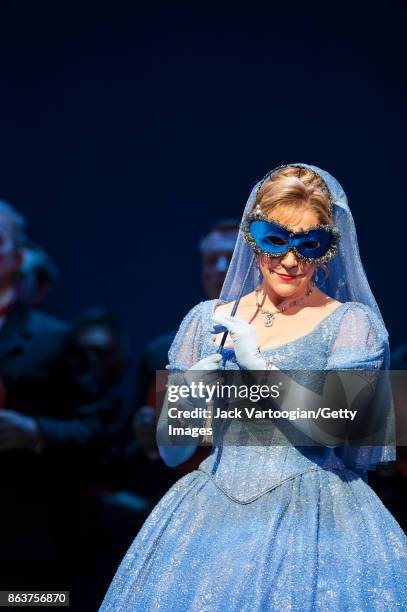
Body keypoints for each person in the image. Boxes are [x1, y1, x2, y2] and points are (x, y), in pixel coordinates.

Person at [99, 164, 406, 611]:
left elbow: (339, 429)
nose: (288, 261)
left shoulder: (350, 323)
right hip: (209, 516)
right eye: (274, 241)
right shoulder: (207, 320)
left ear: (328, 247)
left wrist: (258, 367)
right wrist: (191, 397)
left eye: (309, 245)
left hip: (314, 516)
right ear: (252, 236)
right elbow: (173, 453)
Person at [0, 200, 112, 590]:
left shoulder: (55, 339)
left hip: (23, 541)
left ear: (17, 258)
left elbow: (97, 432)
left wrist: (35, 432)